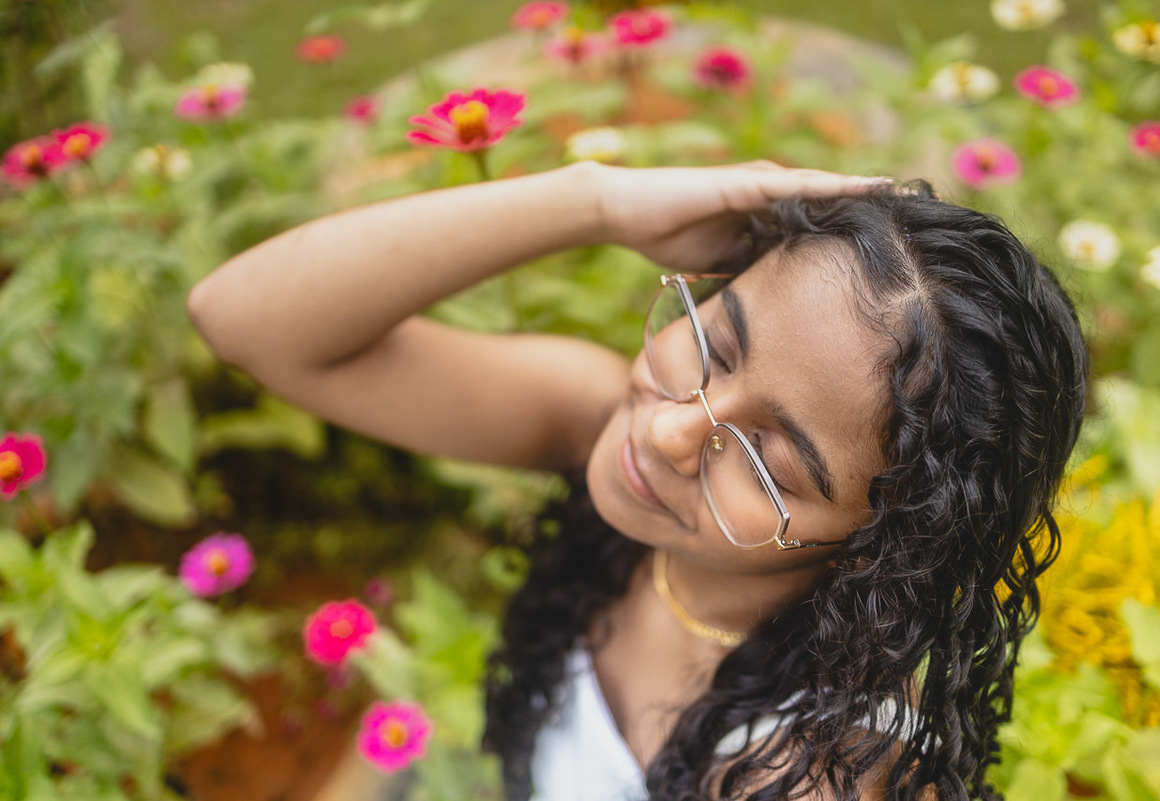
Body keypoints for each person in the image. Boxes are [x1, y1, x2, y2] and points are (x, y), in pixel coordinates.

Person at [187, 160, 1089, 801]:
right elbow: (246, 321)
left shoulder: (817, 772)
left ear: (885, 542)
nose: (668, 427)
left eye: (773, 460)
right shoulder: (603, 427)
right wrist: (597, 198)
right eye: (715, 341)